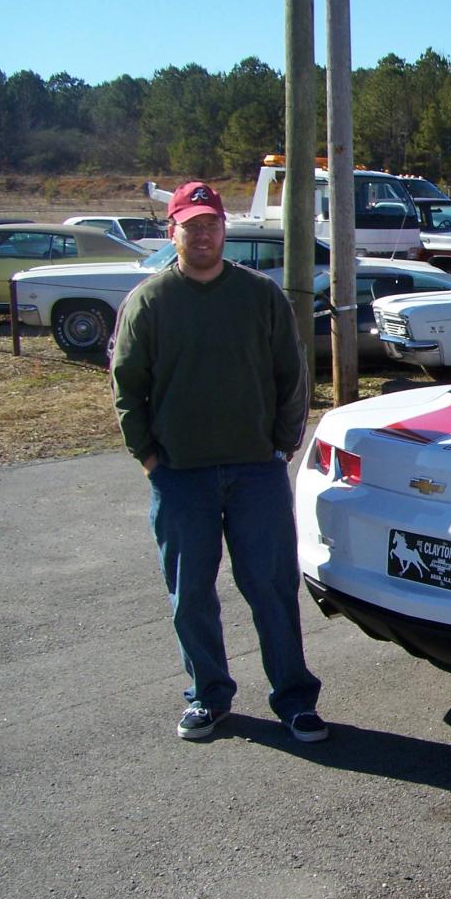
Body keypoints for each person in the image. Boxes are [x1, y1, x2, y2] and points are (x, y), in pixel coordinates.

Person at [110, 181, 328, 743]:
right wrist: (148, 455)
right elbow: (128, 385)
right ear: (171, 231)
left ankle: (295, 699)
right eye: (191, 224)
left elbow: (292, 375)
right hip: (181, 476)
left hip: (256, 471)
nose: (202, 233)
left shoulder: (260, 296)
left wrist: (282, 442)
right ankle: (208, 696)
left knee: (272, 589)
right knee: (191, 596)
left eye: (210, 223)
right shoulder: (151, 302)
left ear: (223, 230)